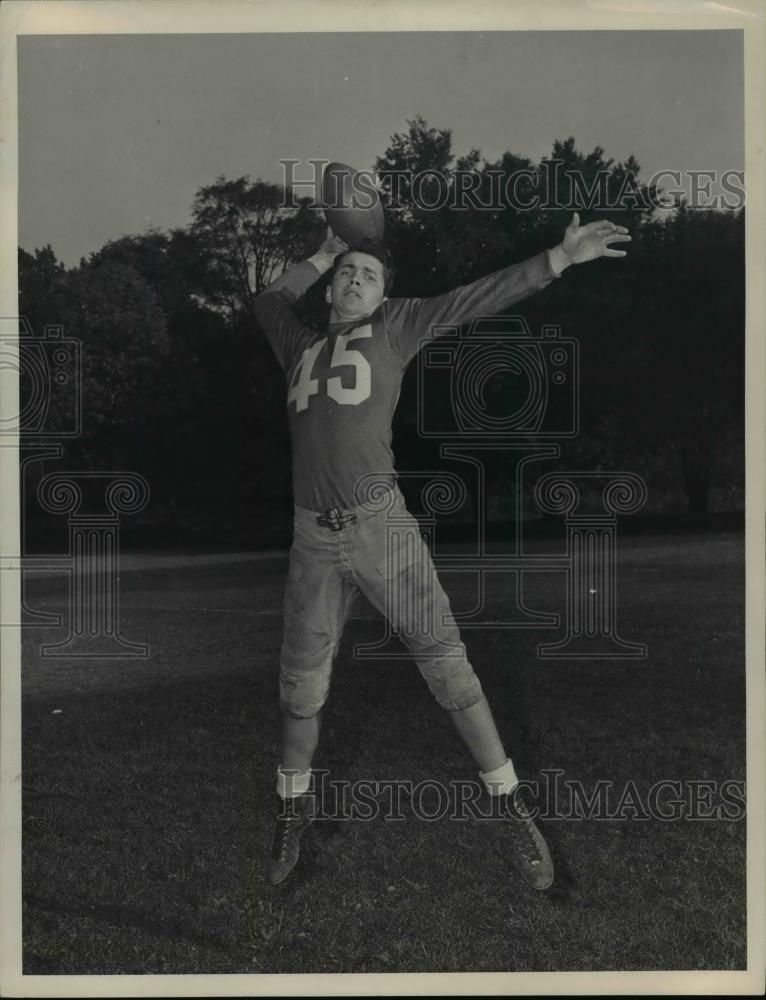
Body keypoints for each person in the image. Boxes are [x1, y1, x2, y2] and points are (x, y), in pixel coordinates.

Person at [253, 212, 630, 888]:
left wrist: (561, 258)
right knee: (300, 691)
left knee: (449, 670)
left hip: (380, 527)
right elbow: (266, 300)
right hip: (312, 534)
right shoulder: (299, 344)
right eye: (347, 273)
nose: (357, 280)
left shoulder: (397, 325)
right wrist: (324, 250)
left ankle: (510, 806)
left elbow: (477, 296)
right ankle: (291, 806)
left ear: (382, 296)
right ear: (331, 288)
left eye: (368, 276)